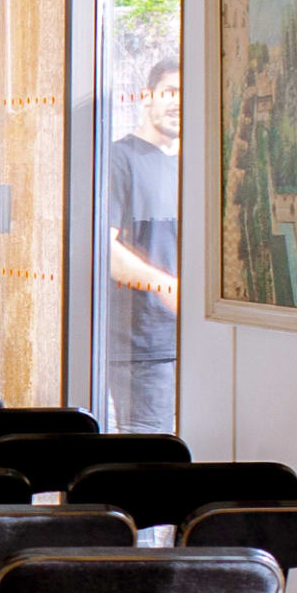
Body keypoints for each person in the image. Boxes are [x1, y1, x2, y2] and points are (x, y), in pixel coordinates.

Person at [102, 52, 182, 432]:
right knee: (150, 460)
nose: (178, 102)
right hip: (141, 346)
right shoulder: (119, 159)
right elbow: (107, 251)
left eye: (187, 94)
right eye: (170, 92)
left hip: (187, 342)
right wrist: (166, 286)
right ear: (147, 96)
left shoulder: (192, 165)